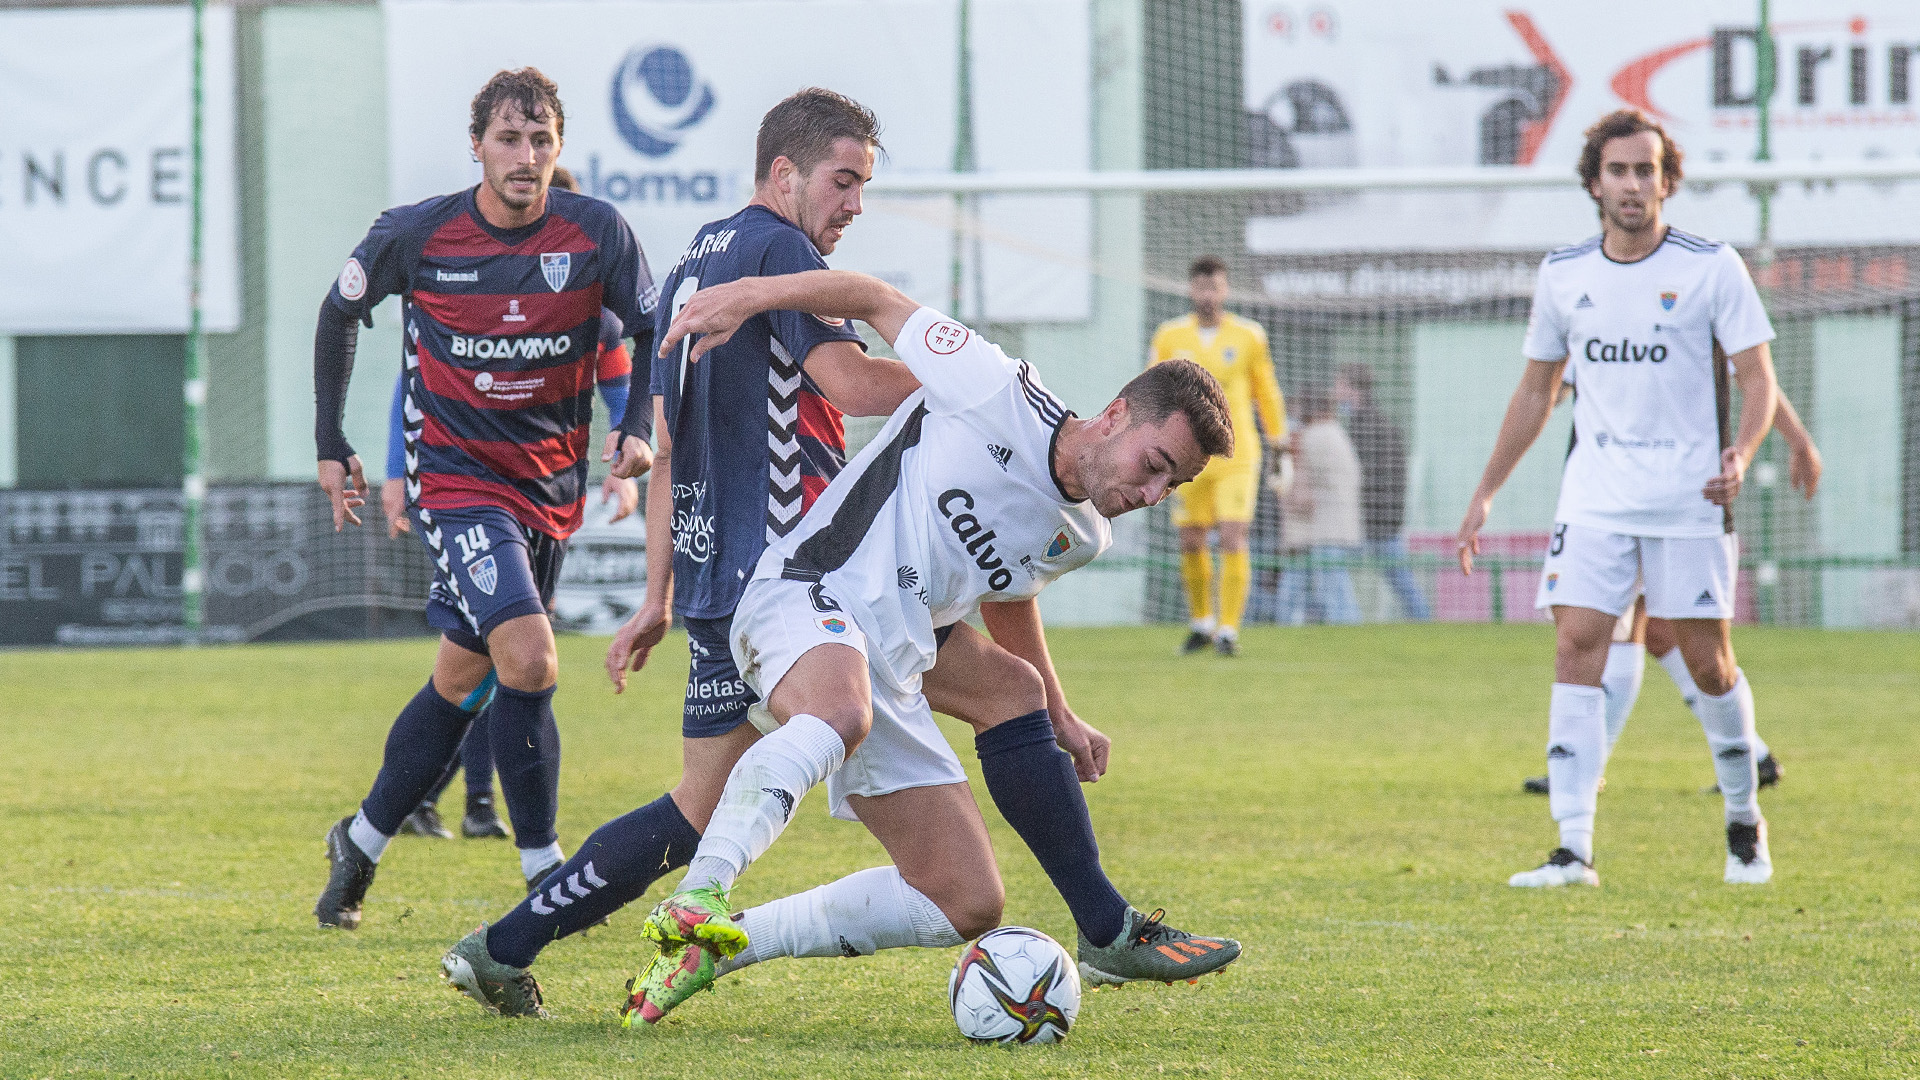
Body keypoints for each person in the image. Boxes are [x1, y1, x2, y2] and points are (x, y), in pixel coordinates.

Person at [439, 90, 1239, 1021]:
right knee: (813, 726)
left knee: (952, 852)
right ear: (784, 175)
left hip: (728, 572)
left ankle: (519, 946)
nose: (854, 203)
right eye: (844, 180)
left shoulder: (699, 255)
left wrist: (660, 588)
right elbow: (856, 378)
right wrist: (979, 394)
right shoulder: (781, 252)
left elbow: (672, 444)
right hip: (786, 568)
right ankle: (701, 904)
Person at [617, 269, 1237, 1025]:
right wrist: (751, 297)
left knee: (967, 897)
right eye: (1156, 466)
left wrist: (1061, 715)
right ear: (1115, 417)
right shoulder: (996, 388)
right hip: (805, 592)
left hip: (894, 658)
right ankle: (700, 893)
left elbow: (1010, 595)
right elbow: (875, 298)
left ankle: (721, 948)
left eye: (1172, 486)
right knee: (844, 710)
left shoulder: (1083, 535)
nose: (1152, 495)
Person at [311, 68, 658, 928]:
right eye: (509, 139)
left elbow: (650, 329)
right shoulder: (419, 233)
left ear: (559, 149)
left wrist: (636, 429)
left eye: (541, 141)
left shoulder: (597, 234)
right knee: (532, 659)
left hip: (547, 489)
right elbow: (336, 314)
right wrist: (332, 444)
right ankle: (545, 868)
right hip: (456, 482)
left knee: (461, 681)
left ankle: (360, 841)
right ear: (477, 145)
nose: (526, 157)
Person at [1458, 109, 1780, 889]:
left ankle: (1744, 824)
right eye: (1619, 171)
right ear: (1594, 183)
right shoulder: (1564, 274)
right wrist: (1487, 492)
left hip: (1689, 500)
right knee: (1577, 646)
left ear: (1667, 180)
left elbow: (1759, 380)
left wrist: (1744, 450)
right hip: (1594, 497)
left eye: (1646, 170)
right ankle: (1573, 849)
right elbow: (1535, 392)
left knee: (1707, 666)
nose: (1633, 185)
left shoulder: (1712, 266)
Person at [382, 166, 643, 843]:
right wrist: (395, 475)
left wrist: (628, 447)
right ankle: (501, 830)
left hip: (541, 497)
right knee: (515, 654)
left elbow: (619, 377)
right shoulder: (463, 270)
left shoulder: (592, 291)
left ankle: (391, 819)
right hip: (464, 489)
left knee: (479, 665)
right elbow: (410, 388)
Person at [1521, 385, 1817, 795]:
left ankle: (1581, 774)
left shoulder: (1682, 326)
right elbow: (1550, 384)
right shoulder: (1596, 329)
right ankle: (1752, 756)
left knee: (1644, 636)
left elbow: (1755, 373)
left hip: (1653, 503)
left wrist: (1797, 441)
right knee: (1652, 632)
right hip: (1618, 498)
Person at [1149, 256, 1286, 656]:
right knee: (1191, 539)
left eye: (1216, 287)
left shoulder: (1249, 336)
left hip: (1237, 455)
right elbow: (1153, 391)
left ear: (1226, 290)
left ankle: (1228, 630)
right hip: (1187, 457)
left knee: (1232, 535)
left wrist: (1279, 443)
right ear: (1191, 290)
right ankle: (1201, 623)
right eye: (1201, 287)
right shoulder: (1169, 336)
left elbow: (1267, 391)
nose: (1208, 295)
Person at [1334, 363, 1429, 620]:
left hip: (1374, 522)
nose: (1335, 392)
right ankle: (1423, 619)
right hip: (1383, 520)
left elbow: (1367, 477)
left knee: (1331, 564)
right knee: (1398, 578)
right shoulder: (1379, 422)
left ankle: (1347, 620)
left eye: (1340, 385)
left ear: (1353, 389)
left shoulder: (1364, 428)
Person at [1276, 385, 1361, 625]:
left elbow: (1291, 481)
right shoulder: (1336, 432)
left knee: (1333, 589)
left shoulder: (1312, 437)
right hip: (1338, 524)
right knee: (1330, 585)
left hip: (1323, 527)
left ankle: (1347, 629)